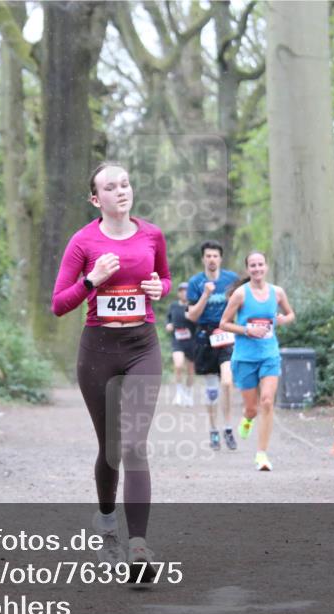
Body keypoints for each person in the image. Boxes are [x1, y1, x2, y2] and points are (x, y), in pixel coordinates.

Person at [51, 162, 170, 579]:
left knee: (134, 445)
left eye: (125, 184)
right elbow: (60, 303)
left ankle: (138, 548)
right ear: (94, 198)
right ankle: (105, 523)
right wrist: (92, 280)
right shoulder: (82, 242)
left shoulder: (152, 234)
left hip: (142, 347)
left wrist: (160, 289)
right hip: (98, 350)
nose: (121, 191)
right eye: (110, 186)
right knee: (111, 448)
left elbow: (165, 281)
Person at [219, 251, 295, 471]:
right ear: (247, 269)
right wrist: (246, 330)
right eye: (252, 265)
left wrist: (283, 319)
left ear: (266, 267)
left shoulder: (277, 292)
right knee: (252, 409)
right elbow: (224, 323)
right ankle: (247, 418)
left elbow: (291, 314)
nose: (257, 268)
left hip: (270, 354)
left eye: (260, 264)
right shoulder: (240, 295)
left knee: (268, 401)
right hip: (244, 358)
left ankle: (261, 454)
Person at [186, 241, 239, 451]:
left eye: (215, 256)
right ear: (203, 259)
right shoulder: (195, 282)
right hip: (204, 336)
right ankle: (213, 429)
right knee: (211, 390)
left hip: (225, 334)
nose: (211, 259)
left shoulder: (231, 280)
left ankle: (228, 427)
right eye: (208, 256)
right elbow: (192, 315)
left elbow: (241, 304)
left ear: (220, 258)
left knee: (227, 382)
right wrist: (206, 295)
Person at [164, 282, 195, 406]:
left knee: (190, 370)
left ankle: (188, 393)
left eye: (186, 290)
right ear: (178, 293)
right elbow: (168, 318)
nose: (184, 292)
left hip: (192, 342)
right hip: (177, 340)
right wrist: (168, 325)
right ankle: (178, 393)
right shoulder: (173, 306)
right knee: (178, 365)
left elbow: (199, 320)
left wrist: (192, 317)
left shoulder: (193, 306)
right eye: (181, 290)